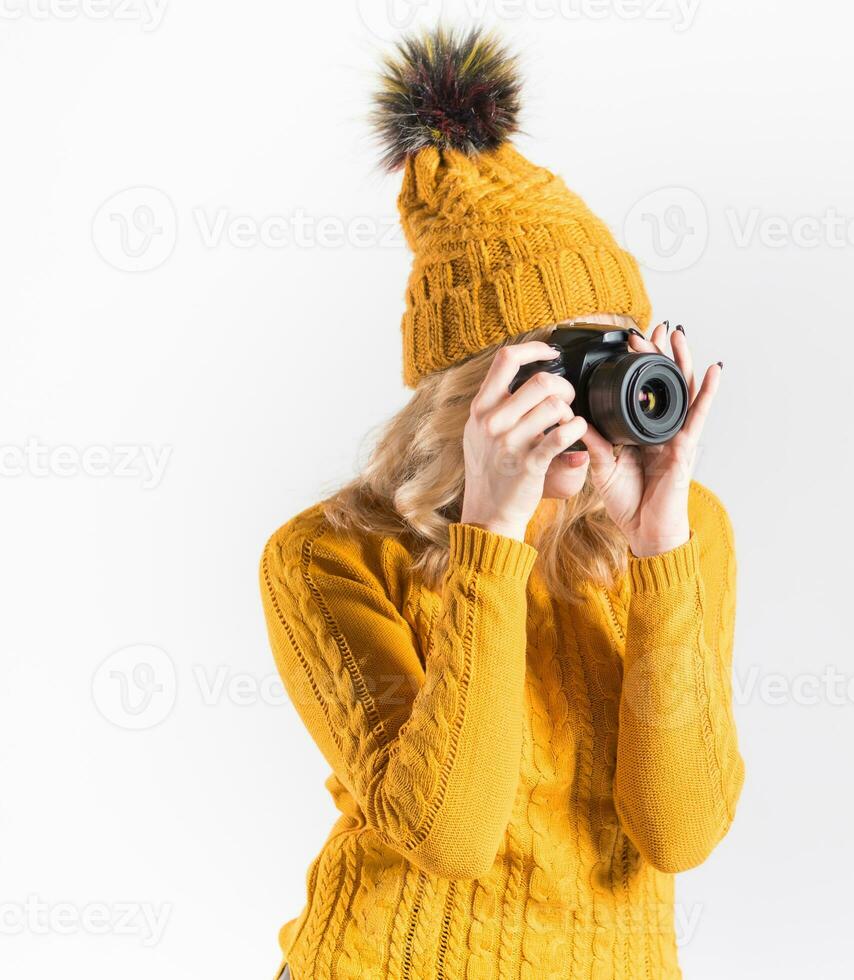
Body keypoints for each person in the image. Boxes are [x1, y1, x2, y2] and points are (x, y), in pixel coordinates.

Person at [258, 26, 743, 979]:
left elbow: (679, 830)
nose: (593, 400)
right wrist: (490, 535)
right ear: (466, 389)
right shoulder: (326, 557)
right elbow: (450, 836)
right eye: (557, 364)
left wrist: (661, 551)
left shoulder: (688, 536)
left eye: (615, 355)